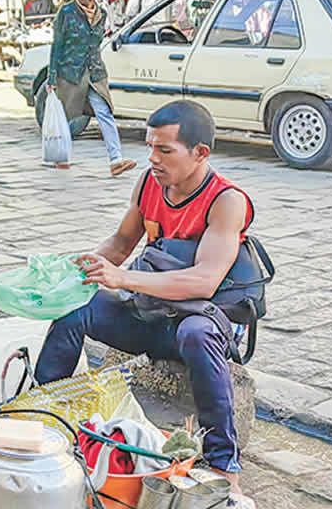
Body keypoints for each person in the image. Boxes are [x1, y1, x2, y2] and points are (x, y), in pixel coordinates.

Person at [36, 100, 256, 507]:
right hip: (149, 314)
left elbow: (204, 281)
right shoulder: (150, 183)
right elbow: (121, 244)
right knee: (74, 310)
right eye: (150, 146)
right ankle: (46, 422)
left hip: (198, 322)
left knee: (197, 334)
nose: (152, 158)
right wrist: (78, 271)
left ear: (200, 153)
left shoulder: (226, 201)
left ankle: (225, 466)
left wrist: (123, 278)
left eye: (165, 150)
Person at [47, 0, 136, 176]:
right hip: (70, 73)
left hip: (95, 72)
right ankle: (60, 156)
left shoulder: (101, 14)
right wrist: (52, 76)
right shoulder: (66, 12)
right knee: (66, 117)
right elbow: (57, 44)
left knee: (104, 112)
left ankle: (116, 160)